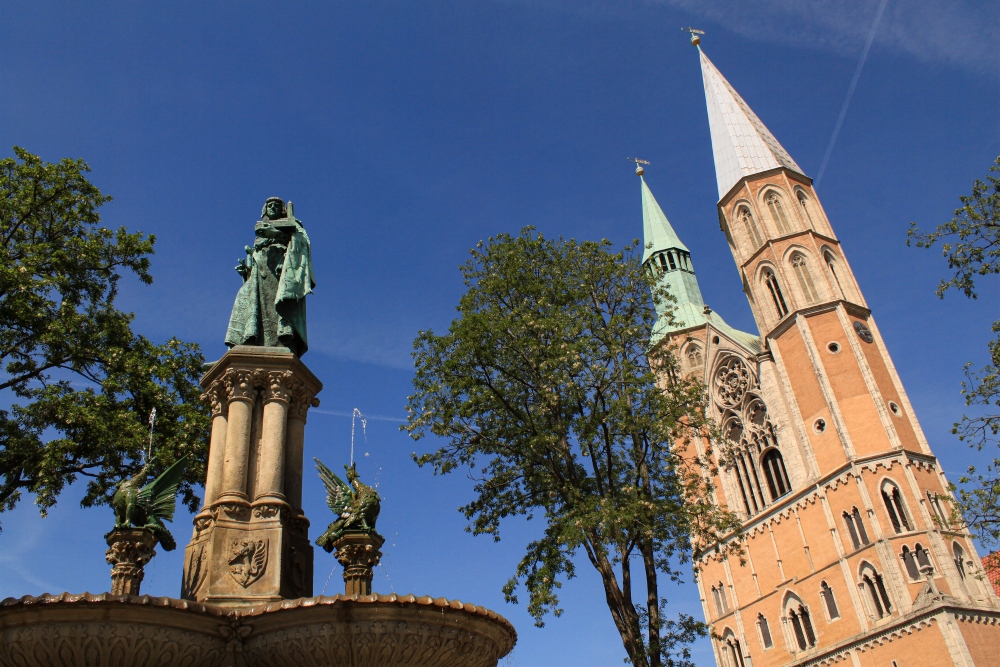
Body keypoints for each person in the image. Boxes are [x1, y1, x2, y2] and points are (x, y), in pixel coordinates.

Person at [225, 197, 314, 356]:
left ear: (283, 210)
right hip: (258, 277)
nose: (273, 207)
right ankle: (239, 347)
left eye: (276, 205)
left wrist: (276, 235)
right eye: (269, 205)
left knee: (277, 308)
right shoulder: (260, 234)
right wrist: (247, 271)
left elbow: (301, 243)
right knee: (243, 299)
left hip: (279, 277)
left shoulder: (292, 226)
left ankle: (281, 341)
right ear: (265, 210)